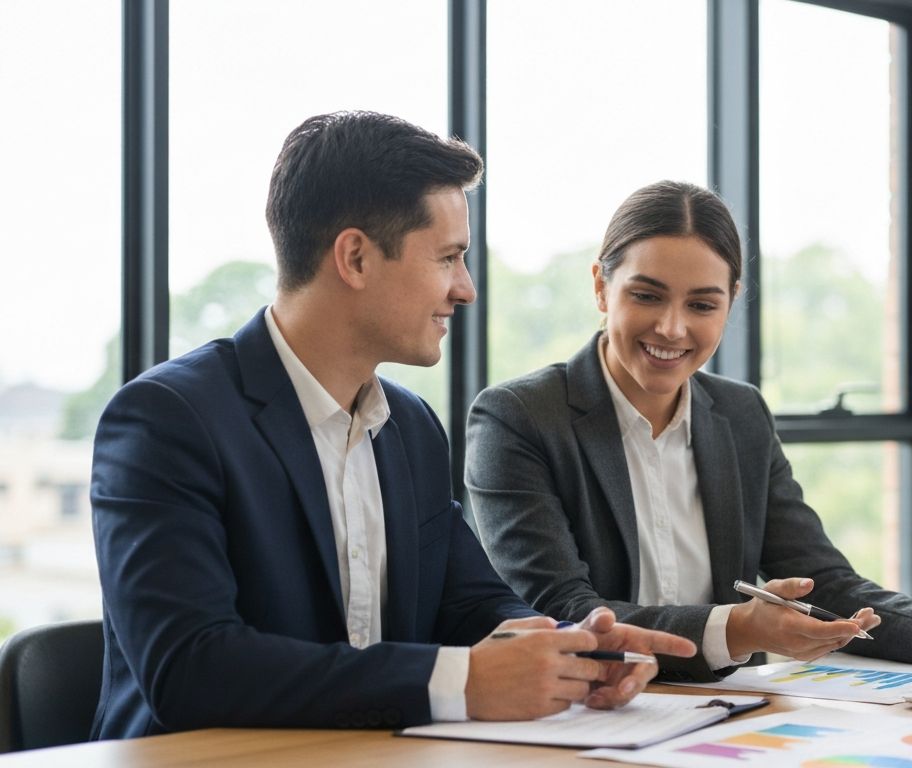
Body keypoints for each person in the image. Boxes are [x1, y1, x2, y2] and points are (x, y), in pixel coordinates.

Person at [88, 112, 694, 739]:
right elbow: (190, 669)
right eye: (449, 258)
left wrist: (574, 649)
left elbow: (468, 605)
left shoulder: (408, 425)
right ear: (354, 257)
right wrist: (462, 682)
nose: (466, 289)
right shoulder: (167, 421)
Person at [466, 180, 912, 683]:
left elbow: (824, 583)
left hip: (728, 717)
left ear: (731, 304)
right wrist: (736, 629)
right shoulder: (518, 418)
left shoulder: (739, 414)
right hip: (575, 720)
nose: (672, 327)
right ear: (600, 286)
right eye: (646, 295)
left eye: (702, 304)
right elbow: (564, 608)